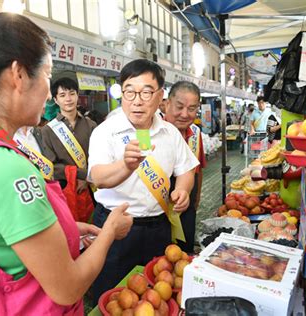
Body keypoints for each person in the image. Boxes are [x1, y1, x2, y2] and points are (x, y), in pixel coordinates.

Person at [0, 13, 132, 315]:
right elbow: (67, 288)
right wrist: (108, 231)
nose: (50, 92)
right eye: (47, 74)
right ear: (18, 75)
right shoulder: (5, 167)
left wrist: (66, 229)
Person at [88, 59, 200, 303]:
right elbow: (98, 177)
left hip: (158, 229)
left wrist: (182, 189)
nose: (137, 100)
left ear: (160, 96)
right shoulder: (105, 132)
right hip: (114, 229)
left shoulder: (170, 133)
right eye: (129, 91)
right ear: (121, 94)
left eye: (146, 92)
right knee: (112, 299)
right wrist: (125, 166)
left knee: (156, 297)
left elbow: (187, 168)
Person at [41, 78, 97, 222]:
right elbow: (51, 166)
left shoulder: (91, 125)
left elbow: (99, 157)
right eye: (62, 95)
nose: (68, 99)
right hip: (65, 192)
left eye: (72, 94)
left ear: (78, 95)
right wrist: (83, 175)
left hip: (94, 190)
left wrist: (87, 179)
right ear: (55, 99)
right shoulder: (48, 131)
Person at [164, 81, 207, 254]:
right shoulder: (153, 132)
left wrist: (196, 199)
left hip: (187, 206)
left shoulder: (195, 133)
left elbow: (199, 168)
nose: (184, 114)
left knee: (185, 252)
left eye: (192, 108)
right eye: (179, 106)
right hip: (161, 208)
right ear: (167, 104)